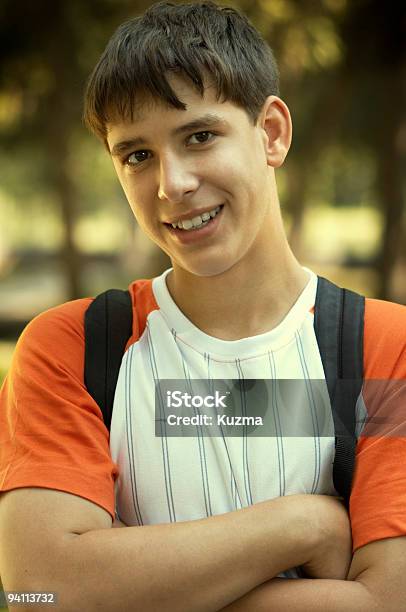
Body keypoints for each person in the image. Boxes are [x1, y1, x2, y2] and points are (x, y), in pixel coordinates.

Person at [0, 1, 405, 610]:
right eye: (137, 154)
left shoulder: (386, 346)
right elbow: (44, 587)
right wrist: (305, 525)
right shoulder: (72, 347)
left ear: (271, 133)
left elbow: (385, 601)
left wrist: (132, 589)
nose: (172, 183)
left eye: (200, 136)